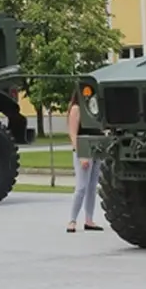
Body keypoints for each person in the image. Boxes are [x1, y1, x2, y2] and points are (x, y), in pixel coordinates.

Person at [66, 89, 102, 233]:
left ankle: (89, 219)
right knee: (81, 187)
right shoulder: (77, 109)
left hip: (96, 150)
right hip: (84, 151)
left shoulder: (94, 110)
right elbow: (73, 134)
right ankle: (72, 220)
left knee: (92, 187)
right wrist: (81, 155)